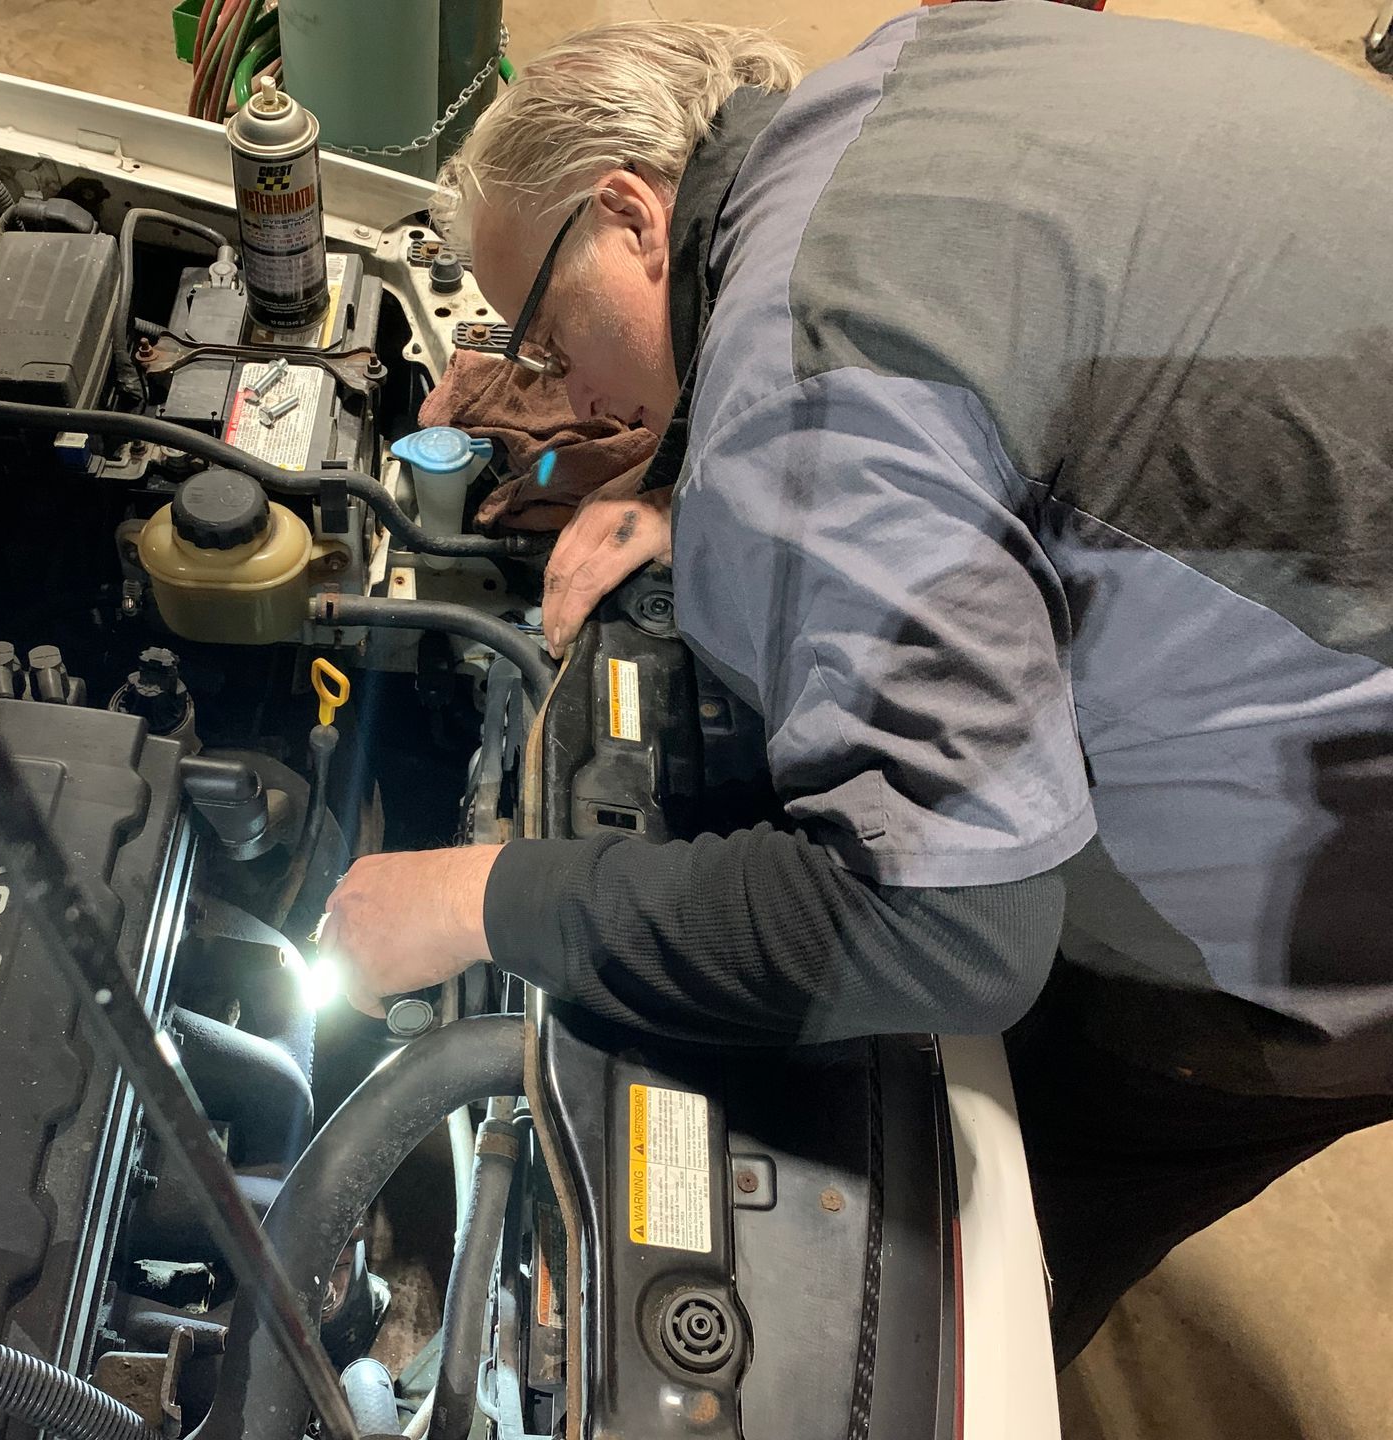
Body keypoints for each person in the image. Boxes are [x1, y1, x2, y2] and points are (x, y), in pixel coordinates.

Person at [318, 1, 1393, 1365]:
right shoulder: (897, 72)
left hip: (1326, 901)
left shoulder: (812, 368)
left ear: (634, 217)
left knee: (977, 1237)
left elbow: (952, 934)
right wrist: (707, 492)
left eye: (538, 331)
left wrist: (484, 898)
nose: (557, 389)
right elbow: (986, 410)